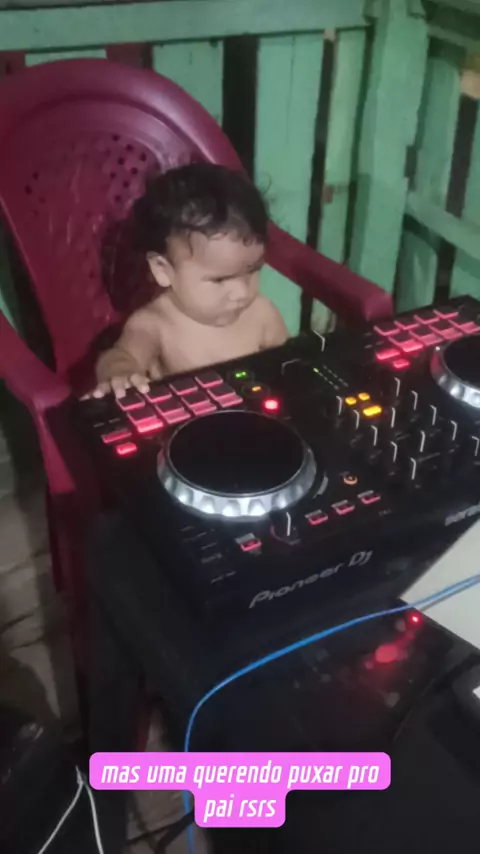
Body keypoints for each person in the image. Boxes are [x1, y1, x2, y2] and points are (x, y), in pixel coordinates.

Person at [92, 162, 288, 398]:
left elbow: (290, 364)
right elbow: (118, 356)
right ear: (163, 270)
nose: (242, 293)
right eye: (220, 280)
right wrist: (120, 373)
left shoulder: (262, 314)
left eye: (253, 270)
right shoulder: (156, 323)